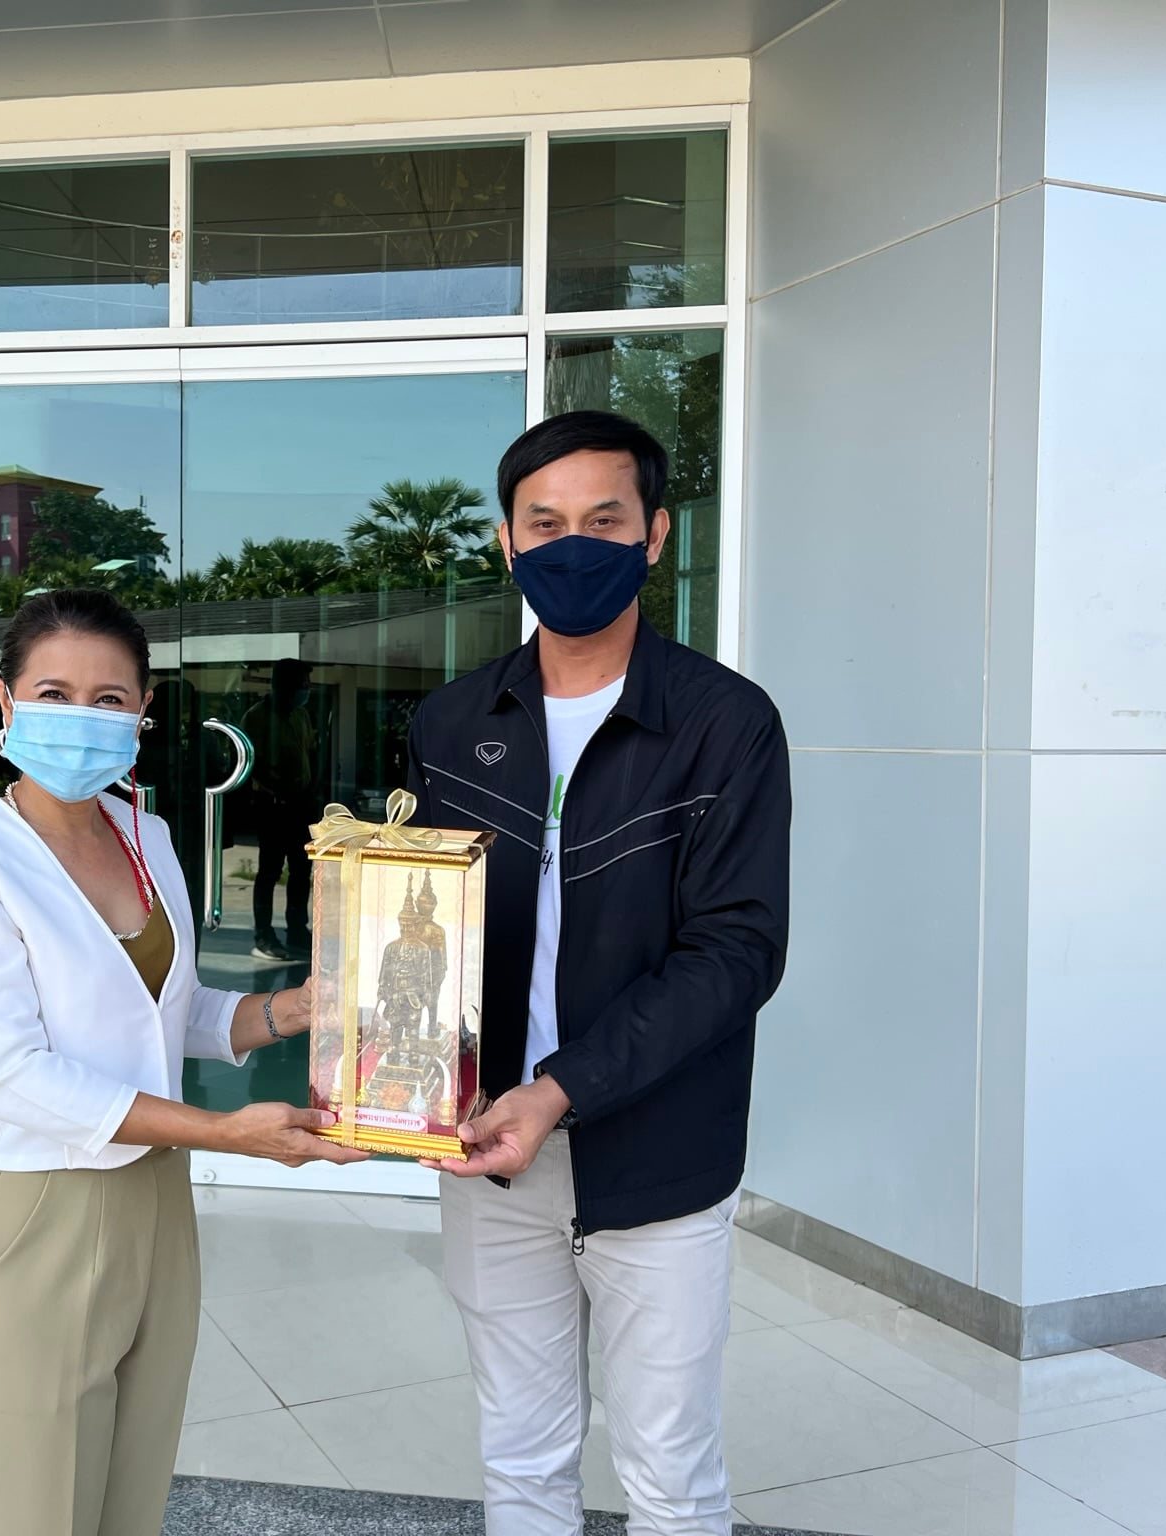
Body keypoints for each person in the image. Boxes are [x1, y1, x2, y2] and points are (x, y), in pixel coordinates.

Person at [0, 589, 367, 1536]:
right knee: (37, 1516)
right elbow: (6, 1070)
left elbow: (169, 1011)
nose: (82, 717)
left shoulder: (145, 836)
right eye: (54, 693)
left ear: (144, 711)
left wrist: (294, 1010)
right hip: (37, 1207)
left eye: (109, 699)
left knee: (131, 1506)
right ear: (6, 701)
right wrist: (225, 1132)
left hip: (158, 1202)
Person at [406, 411, 791, 1536]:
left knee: (669, 1473)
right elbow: (417, 931)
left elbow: (736, 951)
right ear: (506, 543)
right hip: (489, 1151)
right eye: (545, 523)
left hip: (658, 1155)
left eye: (603, 520)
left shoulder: (724, 723)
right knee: (520, 1456)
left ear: (655, 536)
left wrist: (561, 1088)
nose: (572, 547)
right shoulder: (450, 722)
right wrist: (386, 1071)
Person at [241, 657, 317, 962]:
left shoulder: (301, 715)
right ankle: (264, 935)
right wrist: (276, 789)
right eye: (302, 685)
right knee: (270, 871)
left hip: (301, 804)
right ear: (284, 686)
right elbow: (250, 764)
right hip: (272, 805)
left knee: (301, 869)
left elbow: (309, 753)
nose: (306, 690)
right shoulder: (257, 717)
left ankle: (297, 929)